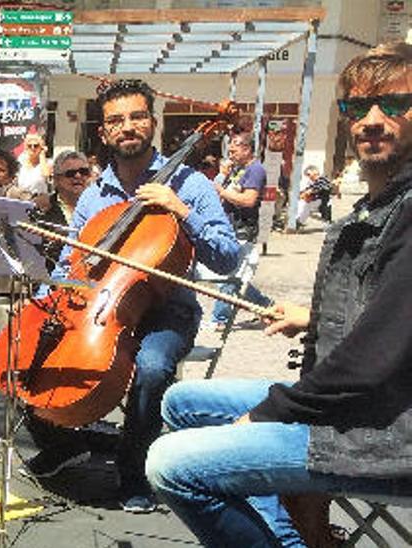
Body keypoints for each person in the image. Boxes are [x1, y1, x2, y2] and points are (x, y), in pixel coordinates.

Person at [146, 42, 412, 547]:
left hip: (384, 433)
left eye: (394, 104)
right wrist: (315, 318)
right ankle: (300, 530)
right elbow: (393, 314)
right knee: (181, 401)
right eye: (357, 108)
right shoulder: (377, 205)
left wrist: (273, 411)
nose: (372, 120)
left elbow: (376, 358)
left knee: (170, 465)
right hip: (357, 407)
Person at [23, 79, 240, 513]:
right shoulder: (93, 195)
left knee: (153, 365)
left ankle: (135, 470)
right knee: (30, 345)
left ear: (153, 123)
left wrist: (180, 210)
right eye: (115, 120)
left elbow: (228, 258)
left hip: (165, 310)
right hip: (101, 307)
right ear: (103, 132)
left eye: (137, 117)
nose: (127, 127)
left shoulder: (190, 183)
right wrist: (44, 304)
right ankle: (65, 442)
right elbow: (72, 263)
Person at [209, 132, 274, 328]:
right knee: (235, 277)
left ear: (246, 149)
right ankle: (267, 306)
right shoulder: (238, 170)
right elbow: (219, 194)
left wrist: (223, 192)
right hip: (227, 228)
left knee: (230, 275)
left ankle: (220, 319)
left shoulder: (256, 170)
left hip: (242, 230)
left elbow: (249, 200)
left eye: (234, 150)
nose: (231, 154)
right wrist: (223, 176)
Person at [33, 150, 93, 270]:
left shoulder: (102, 206)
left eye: (84, 172)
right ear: (56, 179)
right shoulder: (41, 211)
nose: (78, 176)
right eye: (70, 173)